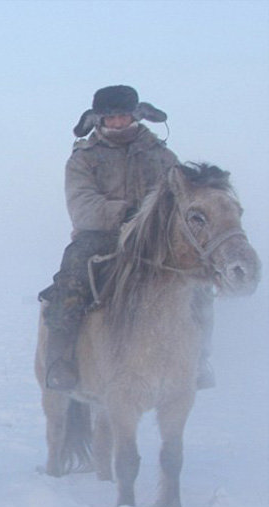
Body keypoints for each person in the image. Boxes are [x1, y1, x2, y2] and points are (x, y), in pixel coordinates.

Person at [41, 84, 185, 390]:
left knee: (194, 285)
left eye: (123, 116)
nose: (118, 123)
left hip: (154, 239)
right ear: (98, 120)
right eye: (111, 118)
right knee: (71, 282)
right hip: (99, 237)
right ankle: (60, 361)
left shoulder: (162, 155)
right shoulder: (83, 158)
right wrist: (129, 213)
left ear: (136, 115)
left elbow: (180, 197)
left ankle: (197, 360)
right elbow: (82, 206)